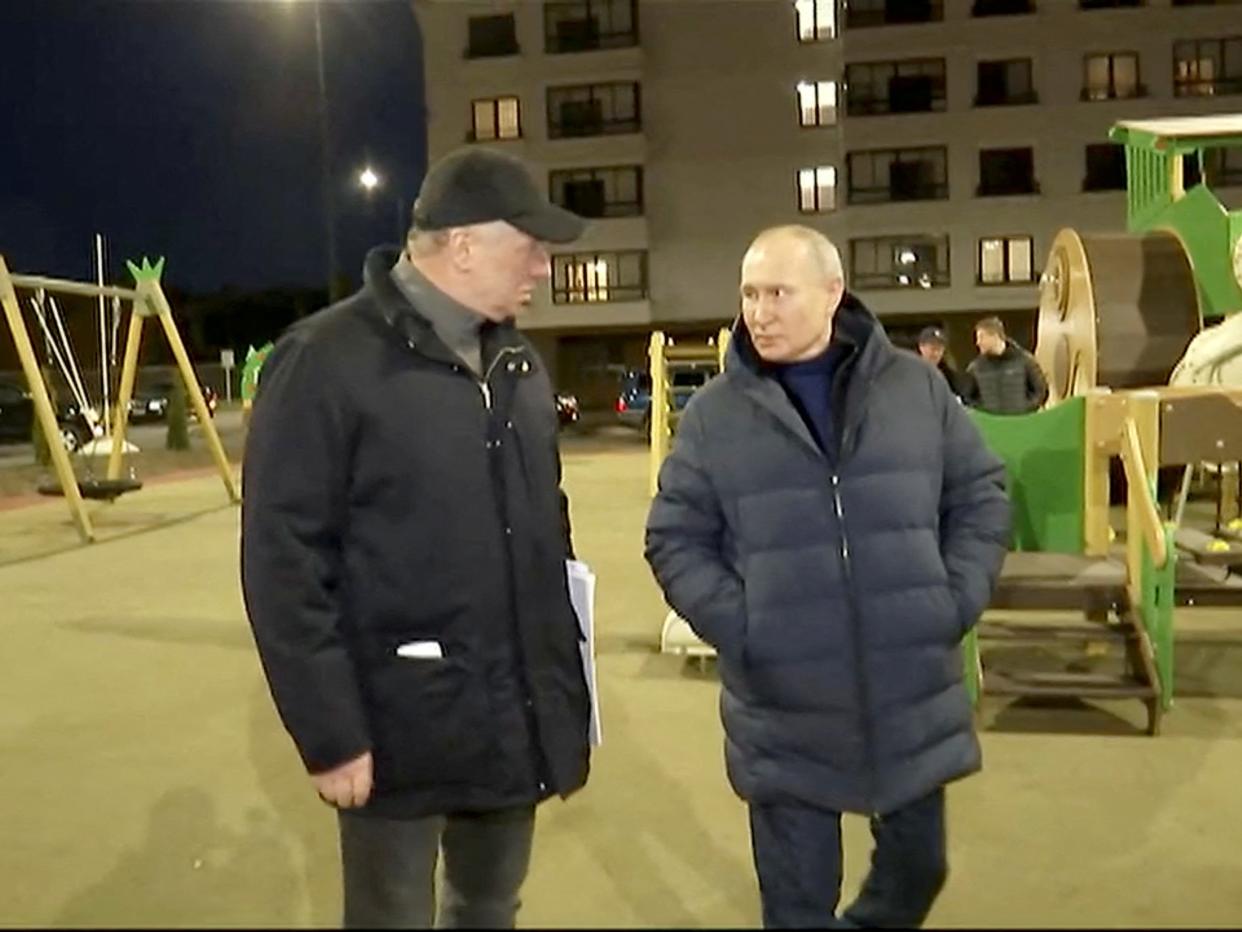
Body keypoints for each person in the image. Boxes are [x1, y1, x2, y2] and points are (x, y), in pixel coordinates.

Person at [241, 147, 592, 929]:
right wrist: (330, 734)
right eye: (529, 246)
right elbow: (284, 564)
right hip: (394, 729)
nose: (542, 267)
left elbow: (547, 534)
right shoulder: (324, 361)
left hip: (514, 719)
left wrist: (562, 700)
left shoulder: (520, 365)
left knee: (488, 905)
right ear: (463, 244)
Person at [644, 225, 1010, 929]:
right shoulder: (718, 415)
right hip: (786, 706)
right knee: (797, 904)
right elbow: (674, 535)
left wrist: (953, 597)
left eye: (778, 292)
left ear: (832, 293)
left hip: (908, 692)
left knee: (919, 869)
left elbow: (981, 494)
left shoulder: (913, 388)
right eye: (749, 293)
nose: (759, 310)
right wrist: (742, 626)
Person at [965, 316, 1048, 415]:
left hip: (1020, 423)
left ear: (995, 336)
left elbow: (1041, 391)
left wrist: (1025, 409)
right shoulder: (976, 367)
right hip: (991, 426)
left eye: (981, 337)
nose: (978, 343)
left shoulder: (1025, 361)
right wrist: (983, 412)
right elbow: (968, 398)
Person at [916, 325, 970, 401]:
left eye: (939, 349)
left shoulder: (950, 377)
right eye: (933, 348)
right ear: (921, 347)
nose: (936, 353)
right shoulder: (912, 371)